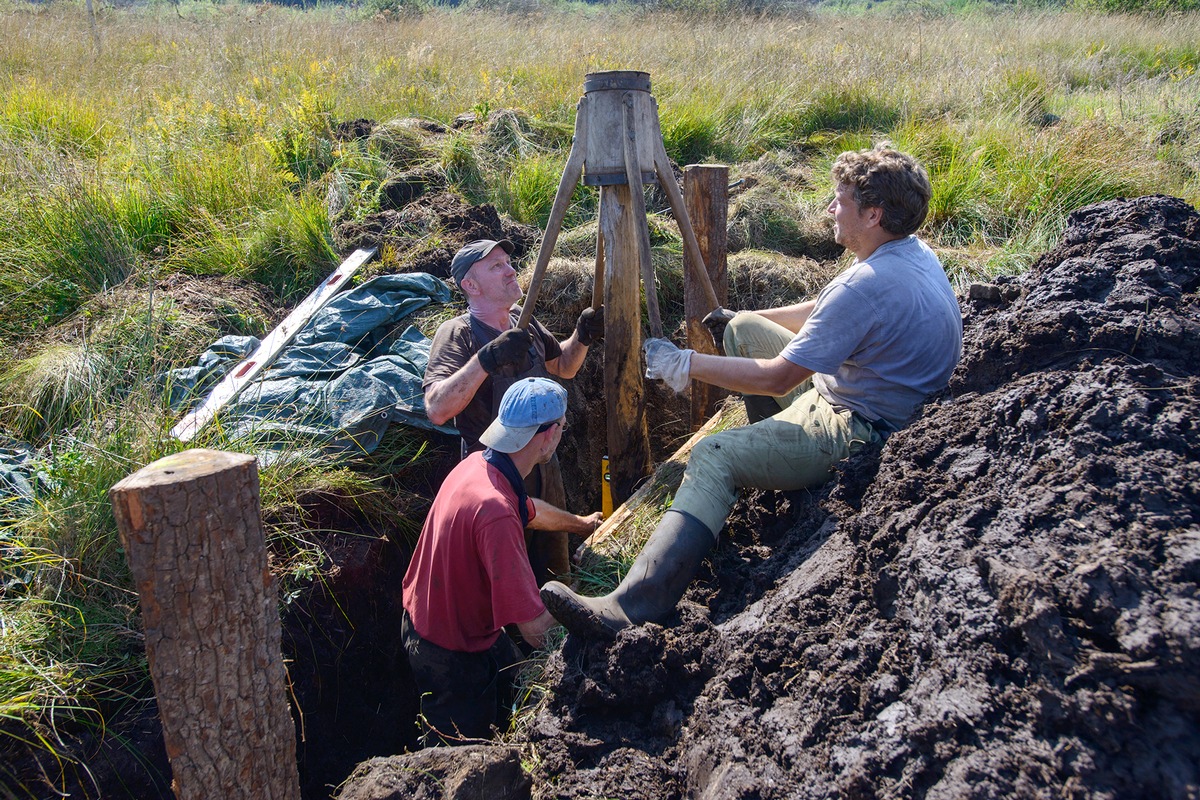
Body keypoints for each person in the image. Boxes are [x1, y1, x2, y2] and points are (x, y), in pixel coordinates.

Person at [541, 146, 963, 640]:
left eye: (839, 201)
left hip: (861, 427)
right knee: (742, 328)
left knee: (714, 454)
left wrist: (686, 364)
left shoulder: (867, 285)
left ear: (873, 214)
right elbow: (827, 311)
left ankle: (632, 604)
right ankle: (774, 460)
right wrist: (752, 319)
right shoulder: (909, 253)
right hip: (882, 396)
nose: (830, 209)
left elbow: (776, 379)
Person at [423, 239, 603, 584]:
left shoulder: (524, 319)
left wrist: (582, 336)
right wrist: (486, 360)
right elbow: (437, 409)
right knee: (507, 567)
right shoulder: (458, 334)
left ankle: (557, 618)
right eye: (496, 266)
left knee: (552, 559)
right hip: (493, 473)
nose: (511, 271)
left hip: (543, 462)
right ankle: (520, 629)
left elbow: (563, 366)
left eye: (508, 262)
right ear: (470, 286)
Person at [402, 377, 570, 743]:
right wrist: (584, 645)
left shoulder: (481, 465)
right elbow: (536, 629)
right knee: (459, 755)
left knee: (517, 677)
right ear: (550, 435)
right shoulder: (495, 512)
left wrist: (581, 525)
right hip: (448, 652)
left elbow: (529, 510)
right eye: (562, 428)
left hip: (431, 618)